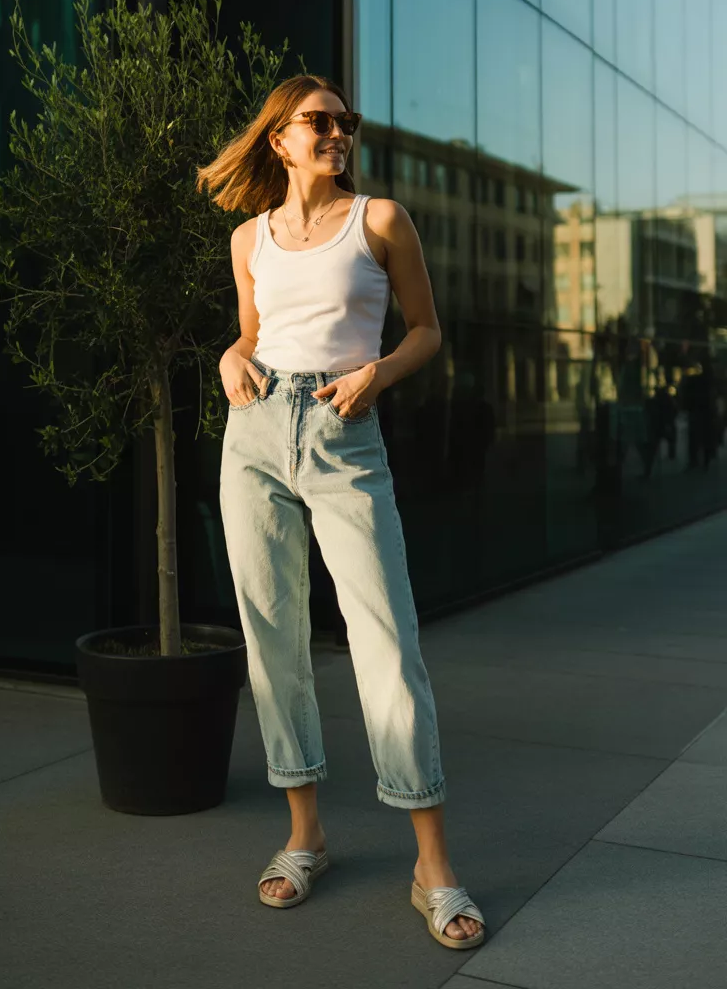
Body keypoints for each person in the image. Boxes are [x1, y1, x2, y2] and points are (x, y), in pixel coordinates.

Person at [195, 73, 485, 950]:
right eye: (318, 123)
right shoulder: (250, 237)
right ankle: (304, 835)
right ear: (279, 139)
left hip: (342, 433)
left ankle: (432, 867)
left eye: (343, 123)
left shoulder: (382, 221)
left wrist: (377, 374)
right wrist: (225, 359)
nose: (336, 134)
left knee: (386, 642)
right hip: (253, 438)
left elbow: (427, 331)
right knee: (272, 639)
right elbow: (253, 333)